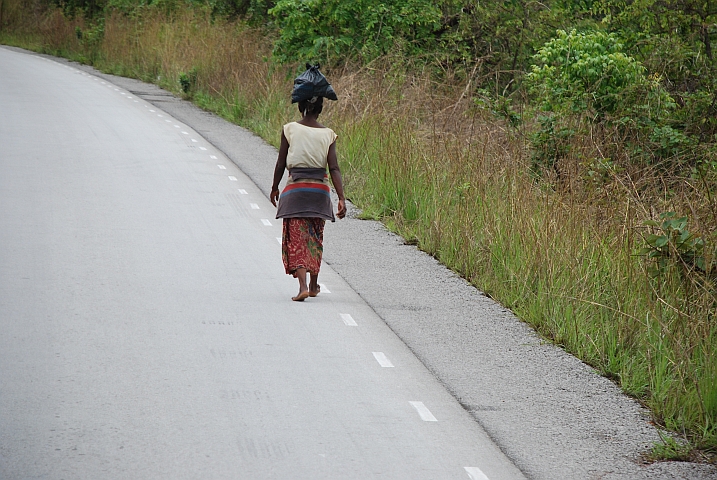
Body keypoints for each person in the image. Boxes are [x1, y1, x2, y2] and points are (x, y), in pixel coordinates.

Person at [270, 95, 346, 301]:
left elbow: (280, 163)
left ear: (300, 107)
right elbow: (334, 168)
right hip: (319, 193)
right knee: (314, 238)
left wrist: (275, 187)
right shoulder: (328, 134)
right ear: (320, 109)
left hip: (295, 192)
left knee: (296, 239)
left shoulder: (290, 129)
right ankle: (313, 285)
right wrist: (341, 197)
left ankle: (302, 286)